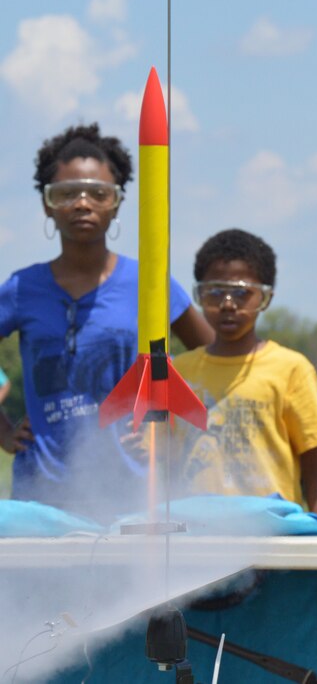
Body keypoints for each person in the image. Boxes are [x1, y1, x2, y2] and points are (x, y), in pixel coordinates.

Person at [0, 124, 213, 519]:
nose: (83, 204)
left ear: (117, 203)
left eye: (98, 194)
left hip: (130, 493)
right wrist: (3, 430)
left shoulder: (149, 282)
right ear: (47, 204)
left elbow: (213, 357)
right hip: (40, 499)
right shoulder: (21, 288)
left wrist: (168, 432)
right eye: (66, 194)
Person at [165, 228, 317, 517]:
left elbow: (315, 467)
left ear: (265, 297)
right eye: (215, 292)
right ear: (199, 295)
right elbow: (161, 460)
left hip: (274, 535)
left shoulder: (291, 369)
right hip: (195, 537)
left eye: (242, 293)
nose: (228, 304)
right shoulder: (180, 371)